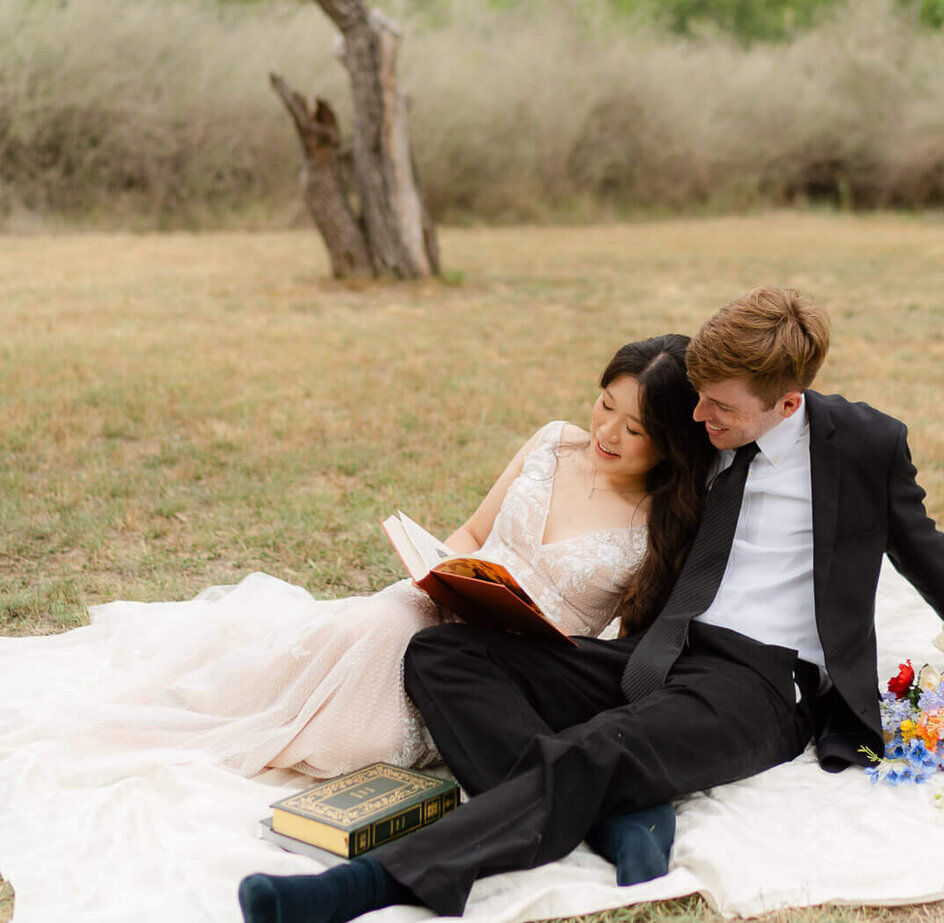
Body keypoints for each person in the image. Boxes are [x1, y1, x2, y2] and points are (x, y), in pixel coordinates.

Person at [239, 285, 944, 923]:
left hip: (763, 682)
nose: (698, 418)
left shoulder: (865, 445)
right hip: (660, 652)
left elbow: (929, 554)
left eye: (720, 407)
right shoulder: (705, 427)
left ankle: (360, 888)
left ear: (786, 404)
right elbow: (635, 424)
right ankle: (616, 818)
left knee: (599, 747)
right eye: (697, 397)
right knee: (445, 656)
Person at [0, 335, 711, 789]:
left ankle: (328, 724)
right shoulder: (553, 442)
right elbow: (470, 530)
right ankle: (258, 707)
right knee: (371, 623)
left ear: (671, 442)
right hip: (450, 596)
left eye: (636, 426)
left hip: (516, 654)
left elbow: (615, 647)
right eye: (604, 405)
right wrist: (435, 567)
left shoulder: (659, 523)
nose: (607, 432)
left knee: (361, 731)